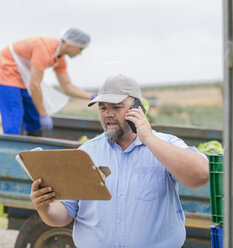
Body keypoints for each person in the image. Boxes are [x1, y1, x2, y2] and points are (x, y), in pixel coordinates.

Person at [30, 74, 210, 247]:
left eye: (116, 107)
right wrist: (44, 208)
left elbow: (200, 175)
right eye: (102, 108)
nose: (108, 114)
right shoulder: (86, 153)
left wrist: (148, 138)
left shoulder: (165, 145)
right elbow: (65, 215)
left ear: (137, 108)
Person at [0, 27, 97, 135]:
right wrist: (43, 114)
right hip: (5, 72)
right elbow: (34, 85)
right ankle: (11, 146)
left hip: (23, 77)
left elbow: (67, 87)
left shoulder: (60, 59)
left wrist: (92, 96)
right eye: (80, 49)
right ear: (72, 43)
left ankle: (33, 146)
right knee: (13, 112)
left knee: (33, 114)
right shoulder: (43, 48)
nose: (80, 53)